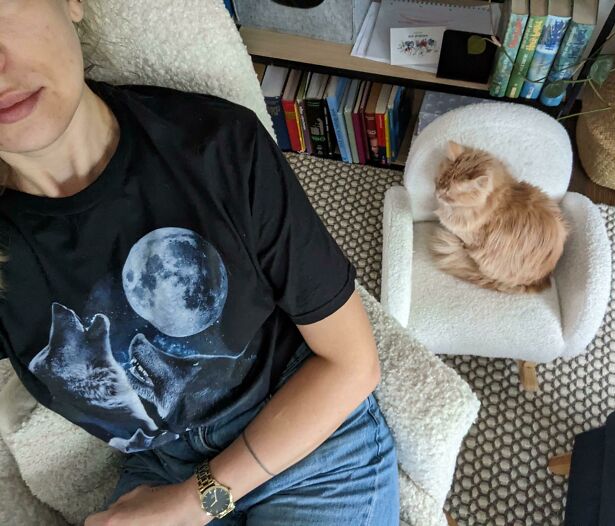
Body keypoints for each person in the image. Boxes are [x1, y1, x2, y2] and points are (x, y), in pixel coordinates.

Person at [0, 1, 400, 525]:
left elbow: (352, 365)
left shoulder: (219, 147)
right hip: (159, 465)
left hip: (309, 443)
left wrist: (195, 502)